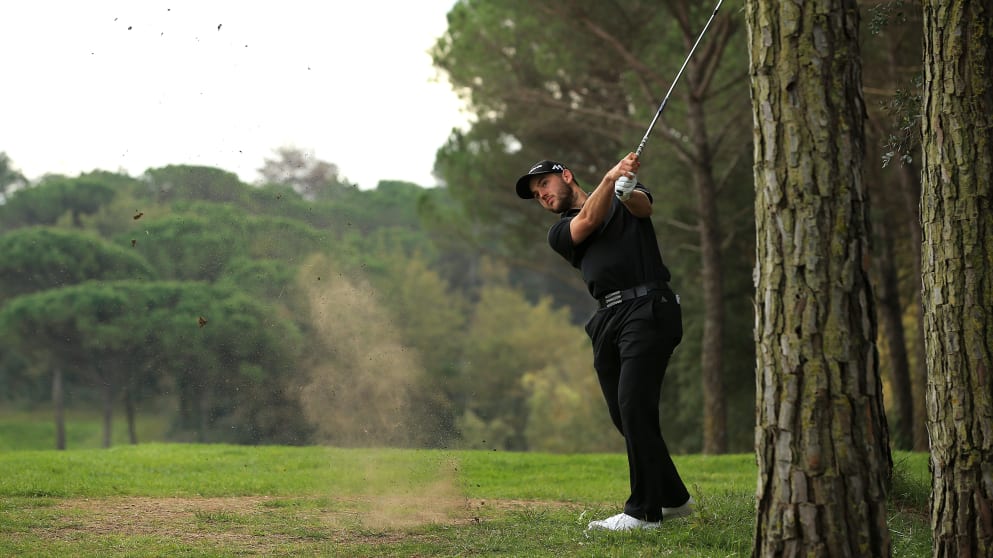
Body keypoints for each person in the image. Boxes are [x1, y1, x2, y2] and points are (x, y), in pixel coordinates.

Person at [514, 153, 693, 531]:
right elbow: (589, 221)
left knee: (633, 406)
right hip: (607, 320)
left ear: (566, 175)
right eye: (536, 194)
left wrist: (626, 190)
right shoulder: (560, 232)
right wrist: (611, 180)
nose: (541, 195)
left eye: (544, 184)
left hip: (648, 307)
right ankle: (674, 498)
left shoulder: (622, 196)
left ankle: (643, 512)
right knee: (624, 415)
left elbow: (643, 207)